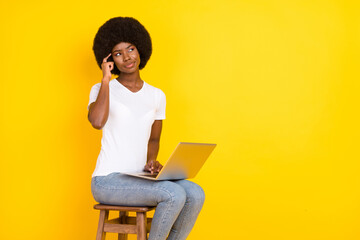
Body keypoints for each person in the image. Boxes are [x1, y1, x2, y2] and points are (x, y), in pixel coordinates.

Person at [88, 17, 205, 240]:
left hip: (139, 178)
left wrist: (151, 162)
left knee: (195, 193)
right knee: (173, 194)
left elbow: (153, 140)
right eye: (118, 53)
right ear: (109, 59)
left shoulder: (156, 95)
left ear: (140, 48)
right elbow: (97, 122)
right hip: (107, 180)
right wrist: (105, 79)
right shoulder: (101, 89)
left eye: (130, 49)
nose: (127, 57)